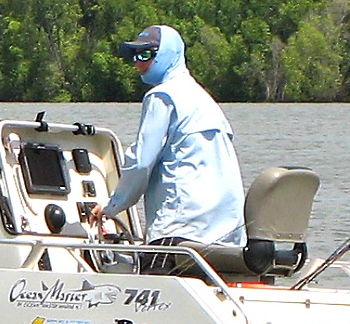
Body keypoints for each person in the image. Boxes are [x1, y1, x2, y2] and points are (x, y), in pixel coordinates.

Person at [88, 24, 244, 270]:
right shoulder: (203, 99)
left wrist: (111, 207)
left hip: (177, 235)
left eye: (146, 55)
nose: (137, 63)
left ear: (168, 54)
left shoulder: (162, 96)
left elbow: (140, 164)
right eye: (133, 56)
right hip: (224, 238)